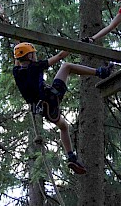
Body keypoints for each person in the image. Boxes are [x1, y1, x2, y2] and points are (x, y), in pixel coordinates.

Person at [12, 42, 113, 174]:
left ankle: (71, 156)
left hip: (43, 109)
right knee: (66, 66)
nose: (36, 56)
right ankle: (101, 72)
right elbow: (60, 56)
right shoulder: (36, 67)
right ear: (30, 56)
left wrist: (18, 47)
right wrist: (74, 46)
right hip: (51, 100)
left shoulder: (16, 72)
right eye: (34, 54)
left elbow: (18, 60)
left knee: (64, 127)